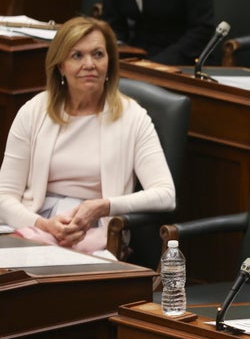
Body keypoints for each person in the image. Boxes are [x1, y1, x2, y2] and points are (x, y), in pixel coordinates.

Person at [0, 16, 175, 256]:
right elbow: (4, 196)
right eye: (77, 56)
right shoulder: (33, 111)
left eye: (98, 54)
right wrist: (42, 224)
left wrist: (103, 207)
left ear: (110, 63)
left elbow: (166, 195)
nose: (89, 64)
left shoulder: (133, 117)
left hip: (99, 232)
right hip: (36, 224)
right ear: (60, 65)